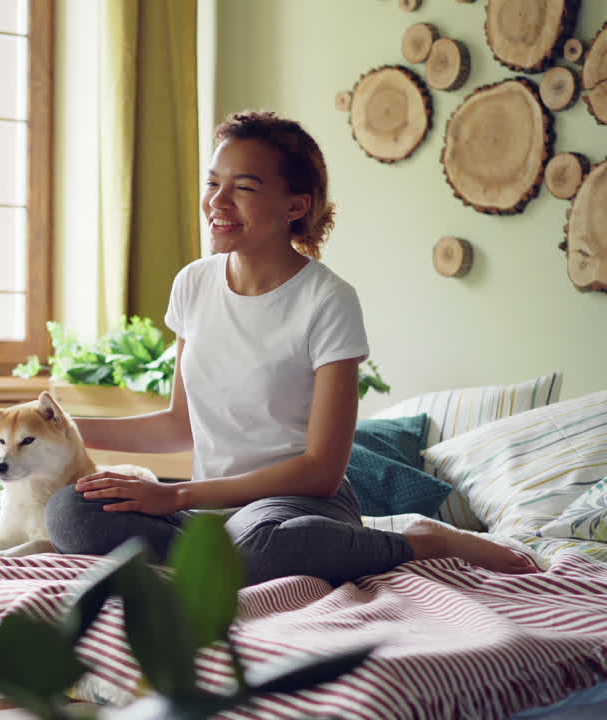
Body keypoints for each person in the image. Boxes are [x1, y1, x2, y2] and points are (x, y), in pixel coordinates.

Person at [44, 110, 539, 586]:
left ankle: (421, 541)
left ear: (295, 206)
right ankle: (216, 556)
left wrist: (174, 500)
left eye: (244, 188)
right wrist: (56, 431)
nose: (218, 201)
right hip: (213, 512)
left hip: (298, 507)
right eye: (214, 183)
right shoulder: (194, 284)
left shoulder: (328, 299)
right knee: (71, 513)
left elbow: (322, 472)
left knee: (262, 548)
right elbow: (180, 424)